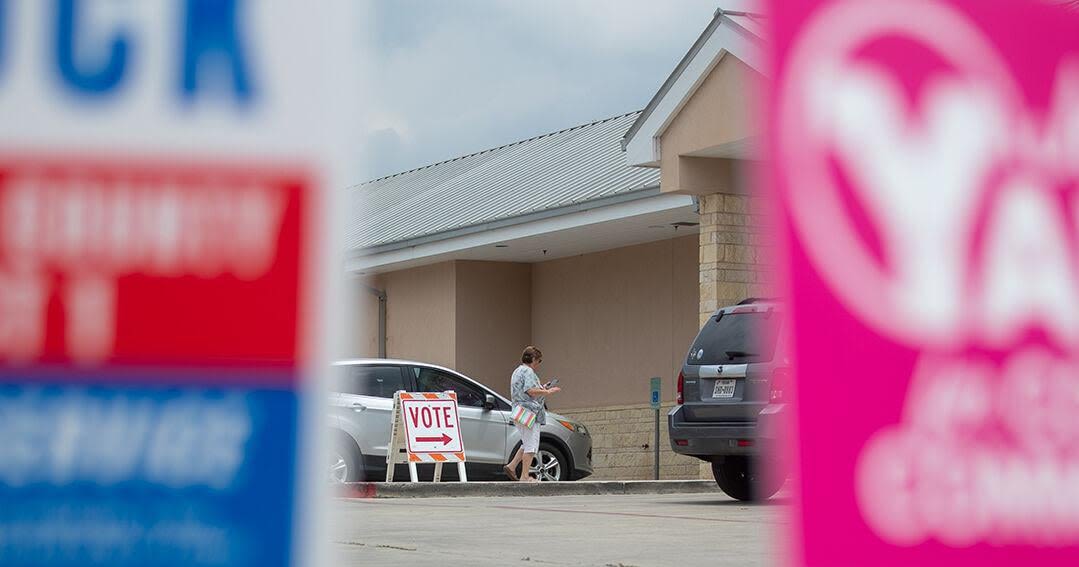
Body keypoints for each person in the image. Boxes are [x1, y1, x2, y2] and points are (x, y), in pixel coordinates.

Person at [504, 346, 560, 482]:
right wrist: (547, 392)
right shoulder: (528, 371)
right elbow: (530, 390)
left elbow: (525, 390)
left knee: (526, 443)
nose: (538, 364)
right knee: (531, 446)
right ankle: (525, 476)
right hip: (530, 413)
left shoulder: (517, 371)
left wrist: (542, 387)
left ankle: (512, 466)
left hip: (519, 412)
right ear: (533, 359)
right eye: (539, 361)